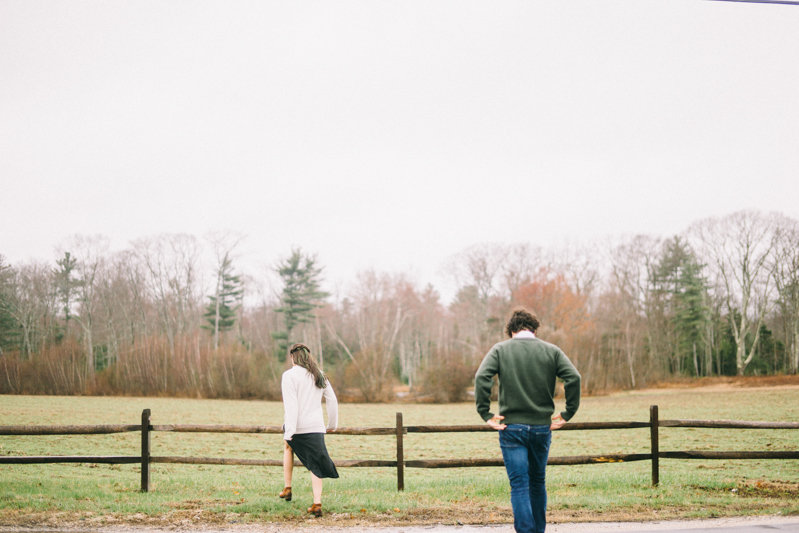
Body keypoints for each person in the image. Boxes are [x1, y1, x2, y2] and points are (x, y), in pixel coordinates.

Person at [475, 307, 581, 533]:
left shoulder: (500, 349)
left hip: (511, 426)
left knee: (519, 485)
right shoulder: (551, 350)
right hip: (542, 427)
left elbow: (482, 376)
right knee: (537, 482)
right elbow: (574, 377)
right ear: (534, 329)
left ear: (512, 330)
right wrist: (567, 412)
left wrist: (485, 413)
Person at [279, 343, 339, 517]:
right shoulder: (318, 374)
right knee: (315, 464)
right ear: (308, 357)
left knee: (288, 448)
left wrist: (288, 431)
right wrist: (332, 425)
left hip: (297, 427)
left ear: (293, 357)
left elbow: (291, 406)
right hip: (316, 427)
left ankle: (288, 487)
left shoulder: (289, 376)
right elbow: (332, 400)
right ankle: (317, 503)